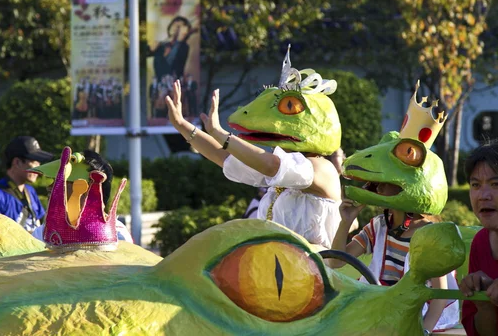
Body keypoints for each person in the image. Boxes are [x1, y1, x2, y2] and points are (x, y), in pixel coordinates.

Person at [165, 47, 343, 250]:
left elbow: (270, 165)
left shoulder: (321, 168)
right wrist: (182, 125)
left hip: (316, 275)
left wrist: (220, 133)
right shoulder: (284, 177)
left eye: (289, 107)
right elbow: (223, 156)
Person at [330, 189, 457, 333]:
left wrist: (423, 331)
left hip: (417, 313)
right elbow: (336, 262)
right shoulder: (378, 226)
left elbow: (439, 295)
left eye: (386, 185)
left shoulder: (430, 235)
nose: (379, 189)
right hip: (380, 309)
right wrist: (346, 222)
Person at [30, 149, 133, 244]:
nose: (50, 187)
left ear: (87, 189)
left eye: (62, 182)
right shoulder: (42, 234)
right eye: (55, 181)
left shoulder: (117, 234)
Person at [460, 141, 498, 336]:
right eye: (476, 185)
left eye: (495, 184)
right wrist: (484, 305)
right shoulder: (480, 242)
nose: (483, 195)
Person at [0, 136, 53, 233]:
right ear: (17, 162)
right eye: (34, 161)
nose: (38, 167)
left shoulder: (30, 191)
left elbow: (41, 225)